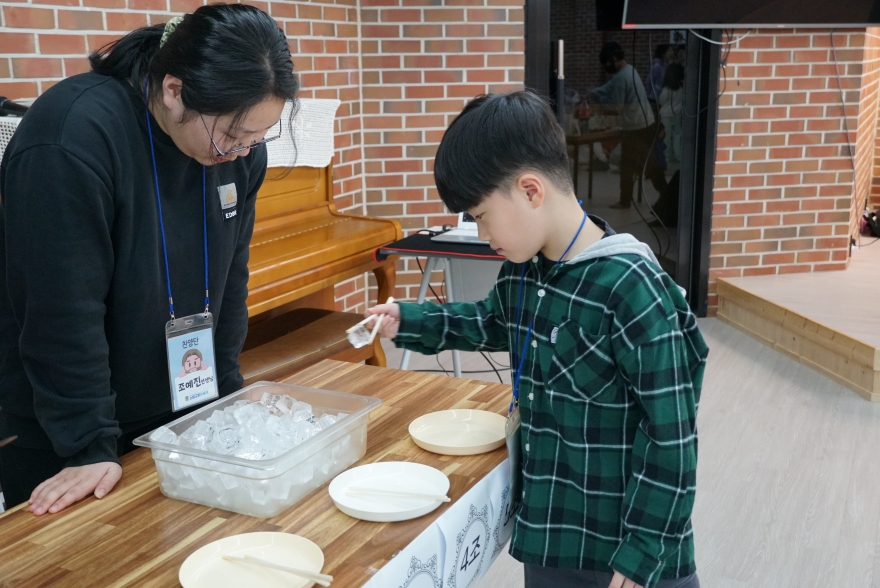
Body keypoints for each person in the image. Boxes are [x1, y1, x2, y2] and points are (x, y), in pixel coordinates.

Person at [367, 91, 708, 588]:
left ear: (530, 191)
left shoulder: (633, 288)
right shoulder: (523, 271)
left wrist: (643, 556)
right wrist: (409, 319)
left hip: (628, 547)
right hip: (555, 528)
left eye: (481, 215)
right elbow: (491, 322)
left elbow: (672, 439)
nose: (482, 234)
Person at [0, 3, 299, 514]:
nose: (243, 151)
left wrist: (225, 395)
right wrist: (88, 444)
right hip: (68, 427)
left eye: (257, 136)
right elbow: (60, 308)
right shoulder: (74, 134)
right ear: (174, 90)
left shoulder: (238, 156)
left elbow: (230, 280)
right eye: (231, 133)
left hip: (181, 406)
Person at [588, 42, 667, 209]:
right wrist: (596, 90)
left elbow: (615, 106)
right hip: (646, 123)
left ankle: (633, 200)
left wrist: (598, 98)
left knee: (630, 166)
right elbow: (609, 87)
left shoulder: (621, 77)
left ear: (614, 59)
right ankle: (664, 194)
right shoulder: (630, 70)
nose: (606, 68)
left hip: (635, 128)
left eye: (607, 63)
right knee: (648, 163)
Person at [658, 63, 684, 166]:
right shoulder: (682, 87)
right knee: (677, 135)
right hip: (678, 114)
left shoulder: (667, 89)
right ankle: (678, 155)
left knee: (666, 136)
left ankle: (667, 155)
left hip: (666, 115)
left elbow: (661, 101)